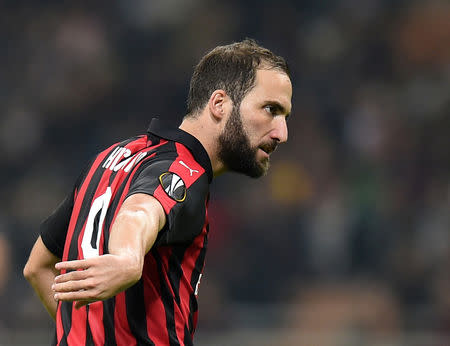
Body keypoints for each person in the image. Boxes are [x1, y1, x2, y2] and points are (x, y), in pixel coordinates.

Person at [23, 38, 292, 345]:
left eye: (285, 116)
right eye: (270, 109)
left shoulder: (112, 157)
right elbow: (141, 212)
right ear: (219, 104)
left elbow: (37, 267)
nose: (281, 133)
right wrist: (127, 258)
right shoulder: (185, 171)